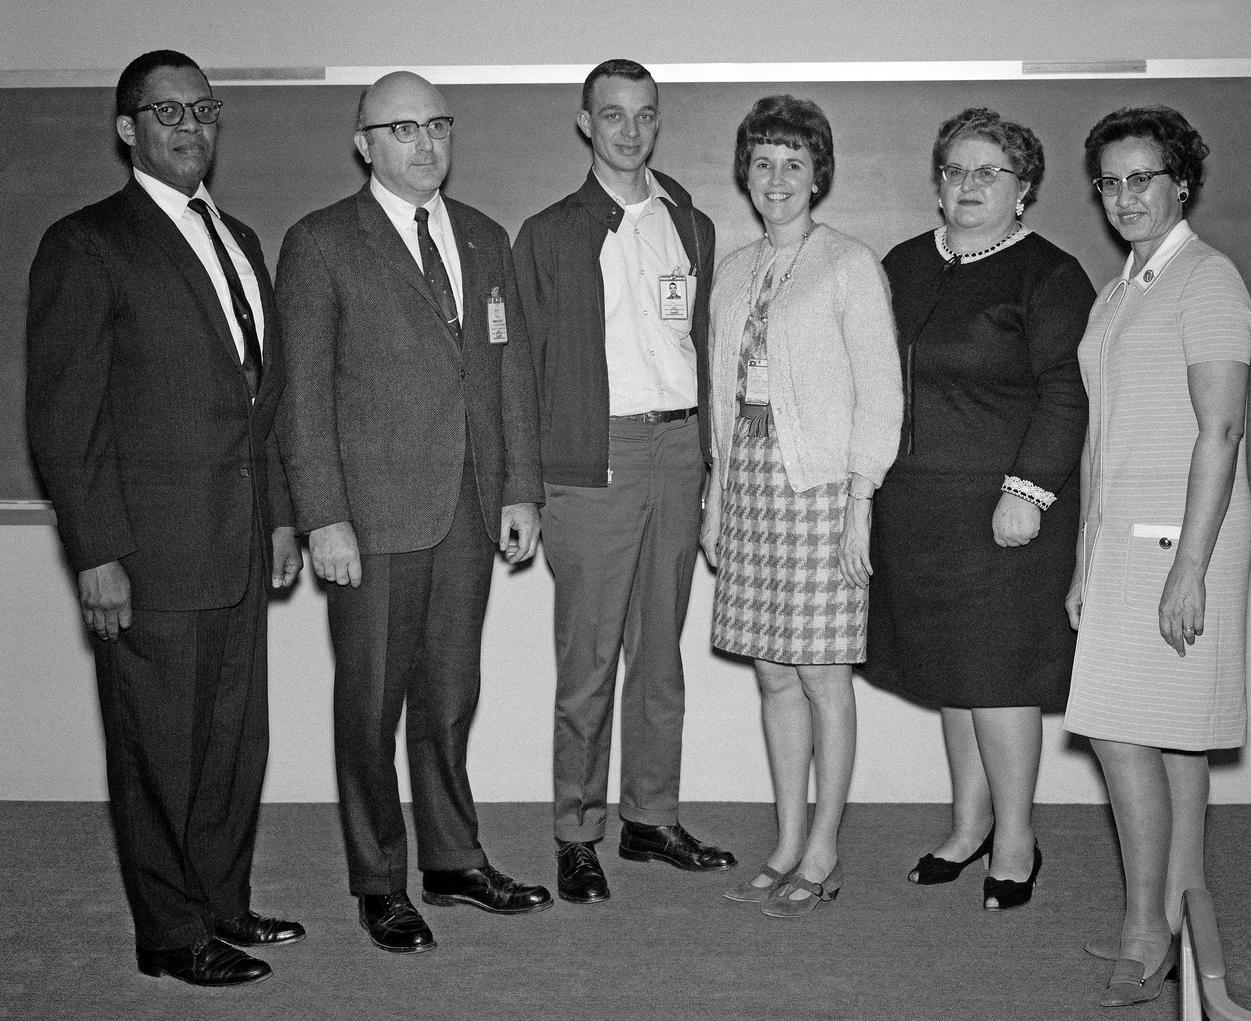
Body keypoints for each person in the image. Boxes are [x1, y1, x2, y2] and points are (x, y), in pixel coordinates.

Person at [26, 50, 304, 987]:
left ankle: (221, 903)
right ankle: (169, 932)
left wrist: (277, 517)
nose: (191, 127)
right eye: (168, 112)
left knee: (231, 745)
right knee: (158, 753)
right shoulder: (87, 242)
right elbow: (64, 416)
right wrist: (95, 552)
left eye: (204, 109)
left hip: (237, 538)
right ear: (127, 128)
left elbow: (257, 400)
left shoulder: (242, 240)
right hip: (148, 552)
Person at [275, 71, 549, 954]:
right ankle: (379, 880)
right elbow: (301, 396)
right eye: (402, 129)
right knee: (369, 705)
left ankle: (453, 860)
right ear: (364, 143)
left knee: (449, 697)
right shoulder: (320, 242)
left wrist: (519, 488)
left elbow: (508, 372)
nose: (426, 144)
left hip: (468, 509)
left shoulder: (483, 236)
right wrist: (322, 514)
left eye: (438, 125)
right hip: (374, 516)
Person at [513, 58, 735, 904]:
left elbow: (701, 349)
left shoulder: (693, 224)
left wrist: (712, 466)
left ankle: (651, 818)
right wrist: (522, 486)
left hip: (679, 451)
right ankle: (576, 832)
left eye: (644, 115)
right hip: (591, 460)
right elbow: (522, 371)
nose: (630, 131)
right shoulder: (550, 232)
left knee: (661, 653)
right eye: (613, 116)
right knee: (589, 657)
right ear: (585, 123)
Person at [862, 108, 1095, 910]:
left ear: (1023, 188)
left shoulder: (1048, 273)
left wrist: (1027, 492)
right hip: (918, 510)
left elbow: (1068, 394)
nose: (968, 186)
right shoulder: (900, 264)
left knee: (998, 681)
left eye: (988, 172)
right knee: (952, 679)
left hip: (1007, 514)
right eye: (956, 171)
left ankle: (1018, 839)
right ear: (937, 183)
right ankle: (967, 826)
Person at [1066, 106, 1251, 1008]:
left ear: (1181, 181)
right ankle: (1181, 911)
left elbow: (1220, 430)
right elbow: (1104, 441)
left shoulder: (1207, 282)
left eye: (1144, 177)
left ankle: (1147, 926)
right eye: (1111, 181)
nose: (1126, 196)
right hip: (1121, 539)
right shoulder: (1122, 289)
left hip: (1184, 539)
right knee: (1171, 742)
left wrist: (1190, 565)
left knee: (1121, 730)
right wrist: (1081, 563)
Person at [702, 96, 902, 917]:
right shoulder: (734, 269)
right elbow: (720, 391)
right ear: (745, 176)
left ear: (818, 173)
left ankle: (823, 850)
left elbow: (880, 392)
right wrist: (715, 492)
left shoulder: (849, 263)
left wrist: (862, 500)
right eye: (762, 162)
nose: (776, 178)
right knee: (773, 674)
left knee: (823, 672)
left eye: (793, 162)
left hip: (821, 488)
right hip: (748, 481)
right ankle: (785, 839)